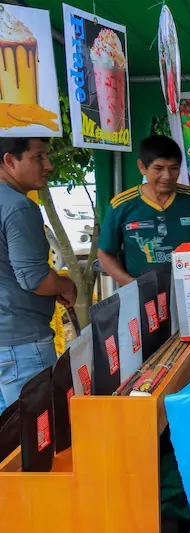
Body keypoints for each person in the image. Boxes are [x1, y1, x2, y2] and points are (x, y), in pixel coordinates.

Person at [0, 138, 77, 414]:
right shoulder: (18, 206)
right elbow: (34, 279)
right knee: (34, 441)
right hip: (20, 346)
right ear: (10, 161)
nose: (49, 165)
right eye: (38, 157)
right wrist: (65, 285)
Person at [98, 135, 190, 285]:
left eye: (173, 168)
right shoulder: (122, 205)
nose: (167, 176)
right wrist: (130, 283)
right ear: (142, 167)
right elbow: (105, 252)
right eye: (158, 168)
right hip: (143, 294)